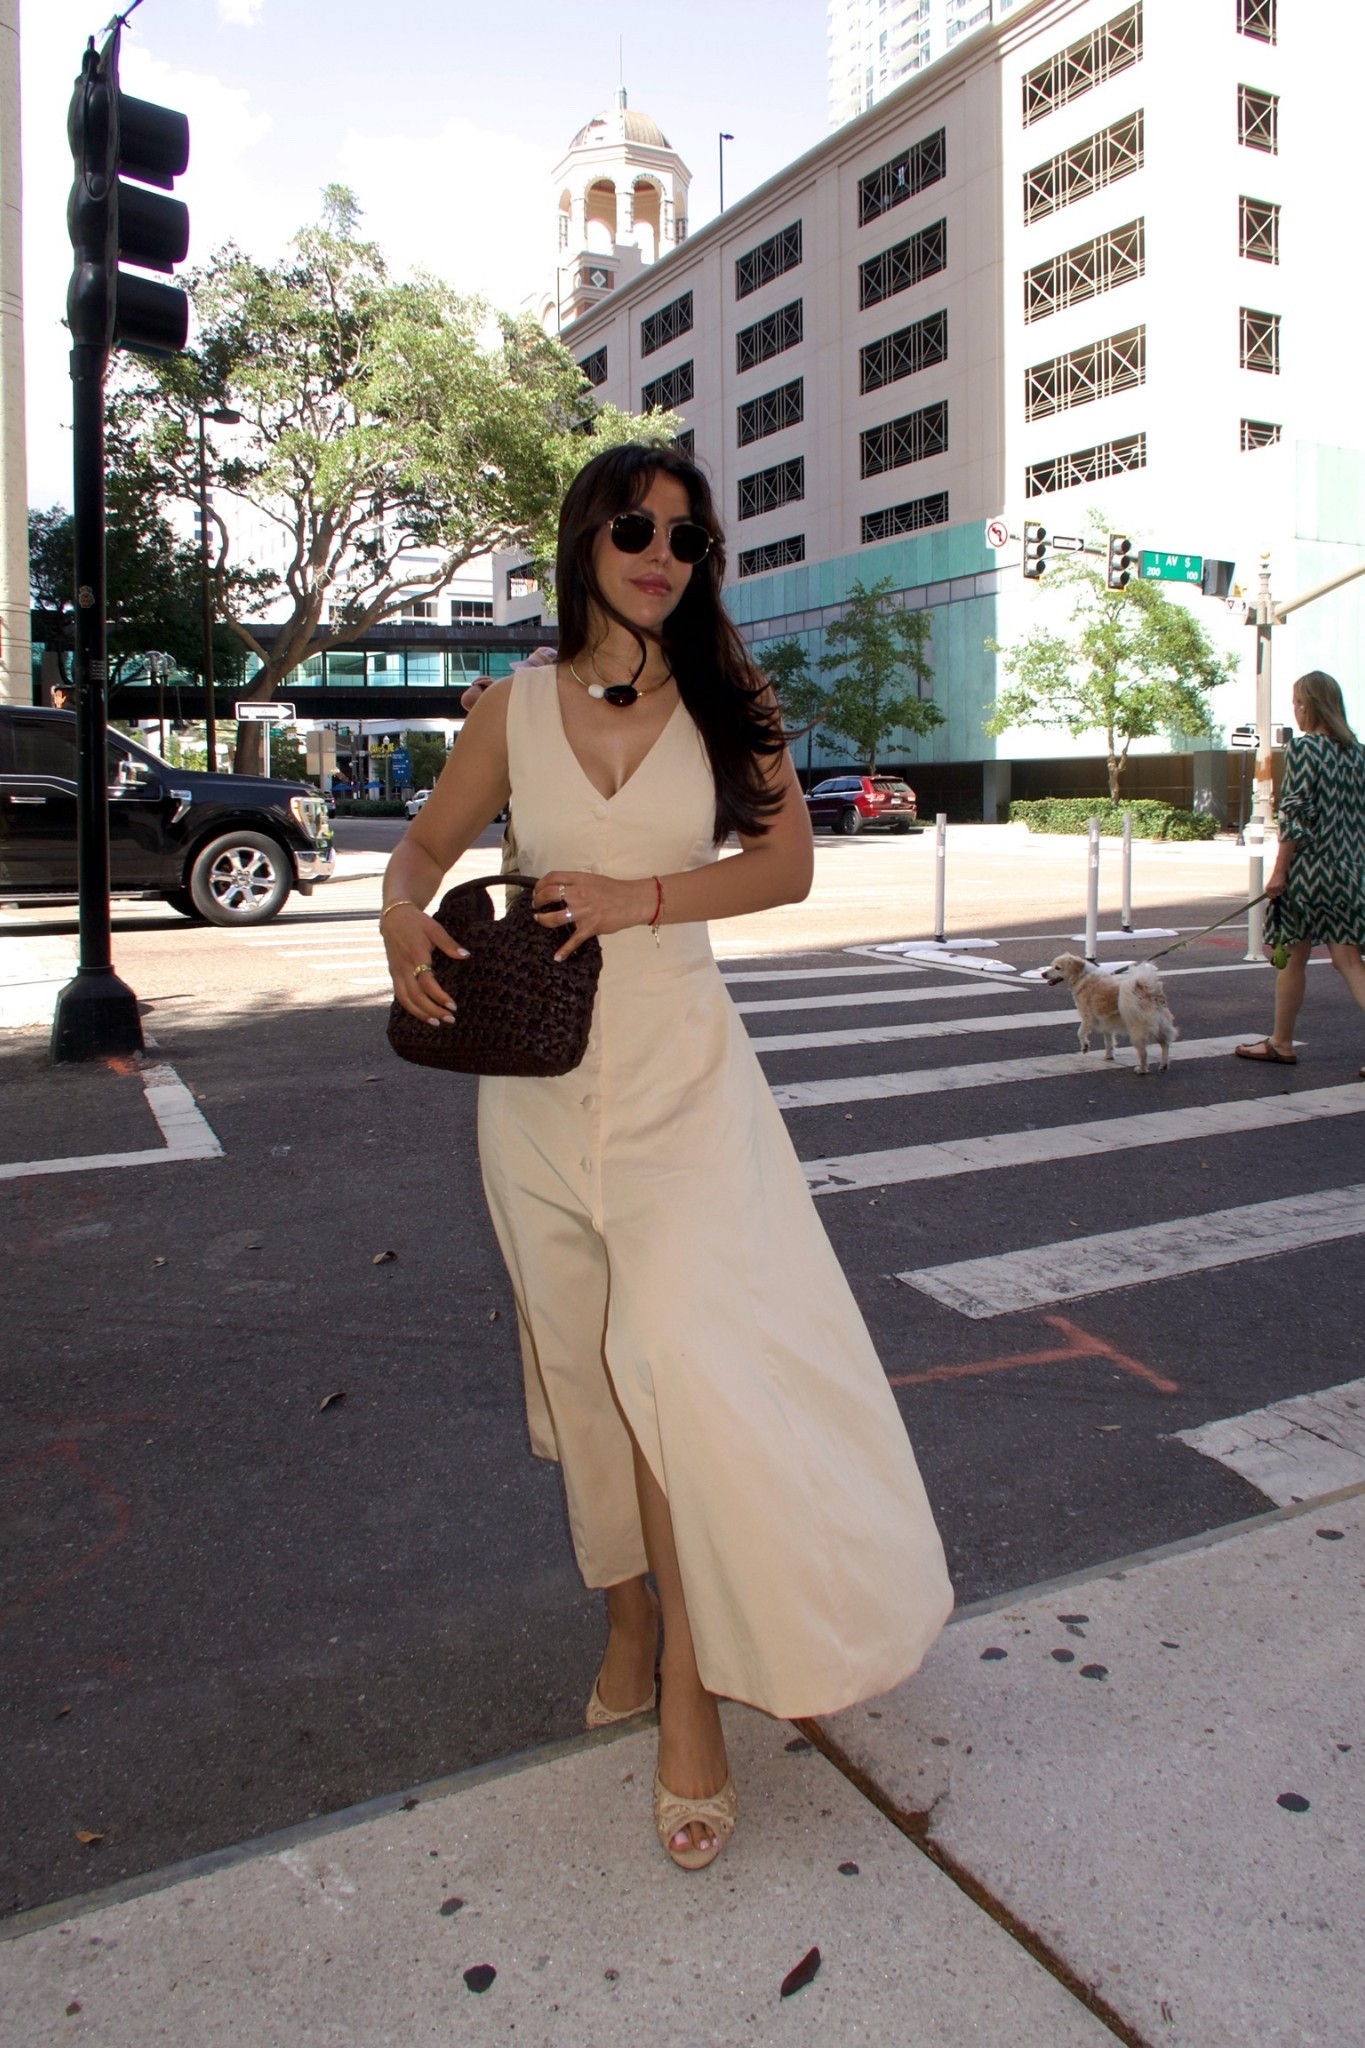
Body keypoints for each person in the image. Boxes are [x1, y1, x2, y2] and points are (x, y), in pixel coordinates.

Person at [380, 444, 951, 1872]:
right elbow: (421, 849)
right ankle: (629, 1610)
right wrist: (398, 918)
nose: (661, 553)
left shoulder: (727, 693)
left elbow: (787, 865)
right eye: (637, 527)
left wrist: (641, 894)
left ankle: (691, 1688)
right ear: (586, 539)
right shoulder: (511, 707)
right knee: (582, 1374)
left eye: (687, 539)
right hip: (537, 1094)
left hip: (685, 1079)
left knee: (679, 1368)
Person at [1235, 669, 1365, 1075]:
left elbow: (1296, 816)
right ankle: (1279, 1042)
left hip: (1311, 872)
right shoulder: (1358, 754)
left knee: (1292, 960)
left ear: (1307, 705)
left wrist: (1279, 873)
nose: (1294, 709)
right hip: (1353, 869)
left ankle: (1281, 1042)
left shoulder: (1307, 749)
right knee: (1349, 961)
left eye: (1296, 702)